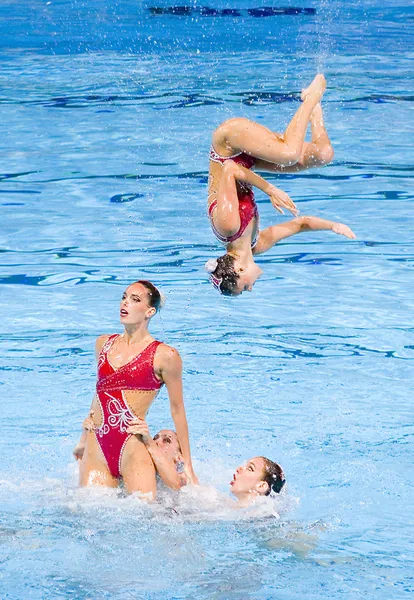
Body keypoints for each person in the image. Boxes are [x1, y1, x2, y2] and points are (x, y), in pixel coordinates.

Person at [206, 74, 355, 295]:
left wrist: (270, 190)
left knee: (289, 154)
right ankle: (314, 107)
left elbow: (230, 169)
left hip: (229, 145)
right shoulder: (257, 245)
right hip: (248, 159)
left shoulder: (228, 226)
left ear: (238, 268)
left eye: (244, 286)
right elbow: (300, 224)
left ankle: (313, 94)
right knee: (323, 154)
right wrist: (333, 226)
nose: (250, 289)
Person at [73, 280, 197, 498]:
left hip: (131, 446)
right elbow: (100, 391)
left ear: (149, 311)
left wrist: (188, 465)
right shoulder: (103, 344)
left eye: (135, 299)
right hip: (96, 446)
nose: (125, 303)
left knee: (144, 516)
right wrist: (83, 439)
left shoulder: (165, 355)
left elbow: (178, 410)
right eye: (124, 297)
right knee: (85, 513)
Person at [76, 415, 189, 491]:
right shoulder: (137, 469)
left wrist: (149, 441)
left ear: (179, 457)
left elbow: (176, 484)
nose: (157, 442)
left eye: (167, 441)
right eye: (155, 438)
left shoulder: (183, 476)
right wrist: (89, 436)